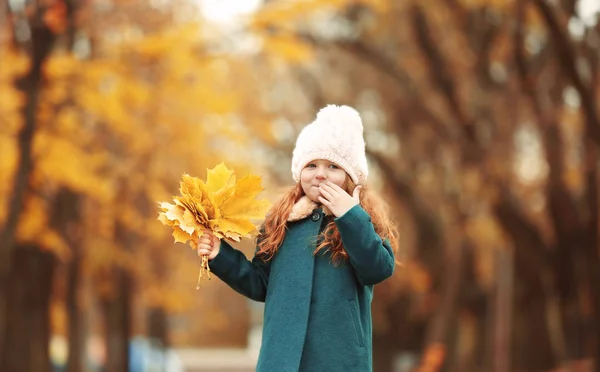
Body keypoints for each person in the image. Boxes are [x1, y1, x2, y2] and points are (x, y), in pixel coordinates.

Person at [197, 104, 399, 372]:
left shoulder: (359, 222)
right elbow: (260, 284)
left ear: (351, 179)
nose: (320, 173)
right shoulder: (282, 222)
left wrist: (349, 216)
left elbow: (378, 268)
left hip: (339, 360)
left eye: (333, 166)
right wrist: (220, 255)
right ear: (299, 172)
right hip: (282, 360)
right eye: (311, 165)